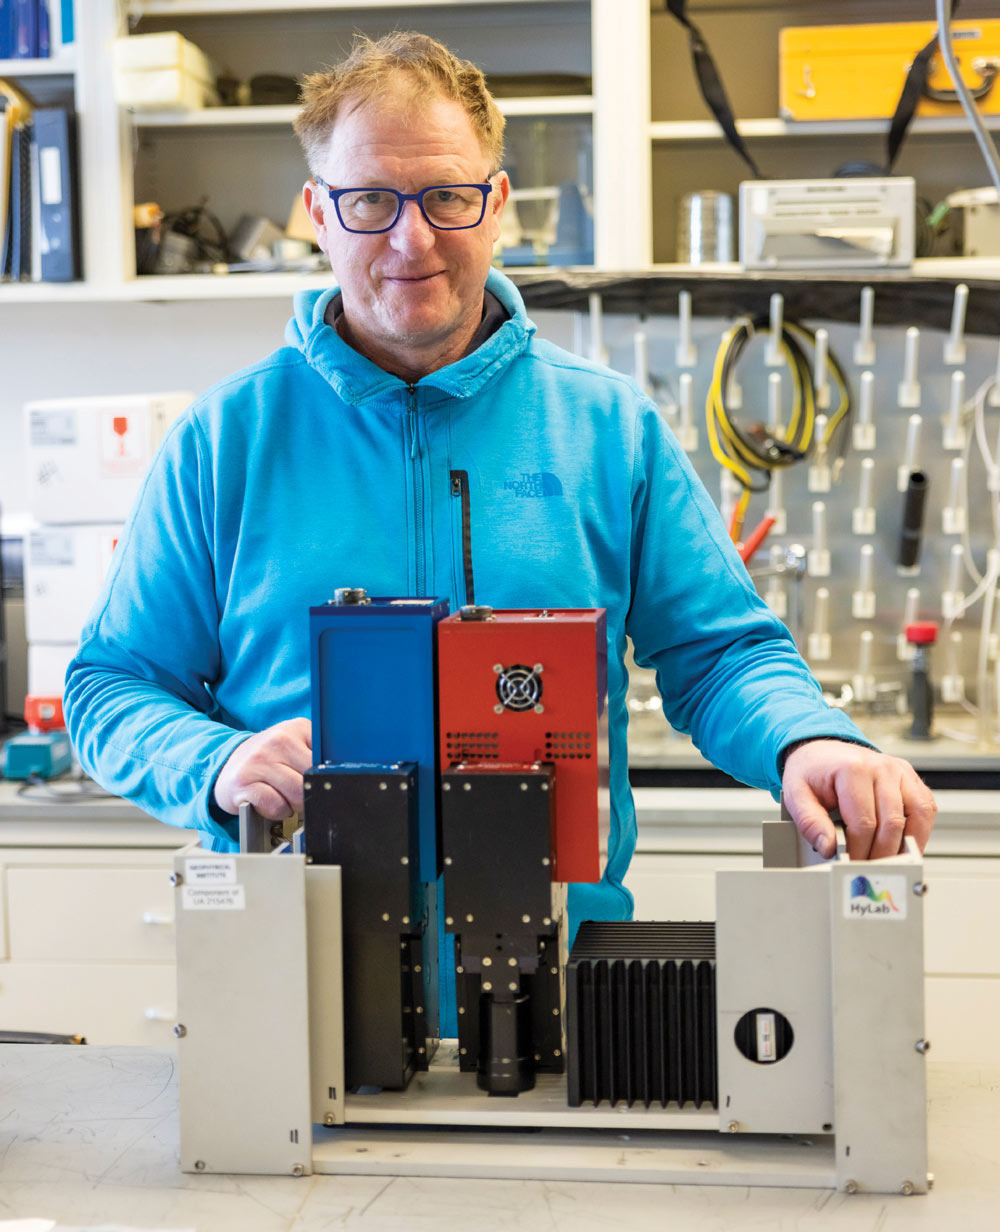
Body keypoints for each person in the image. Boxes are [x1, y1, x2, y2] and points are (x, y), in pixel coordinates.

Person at [64, 32, 935, 942]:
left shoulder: (606, 426)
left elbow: (721, 654)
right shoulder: (225, 439)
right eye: (370, 201)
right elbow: (113, 685)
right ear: (319, 214)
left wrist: (811, 739)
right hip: (290, 972)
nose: (413, 237)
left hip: (555, 964)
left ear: (497, 206)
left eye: (447, 195)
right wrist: (218, 759)